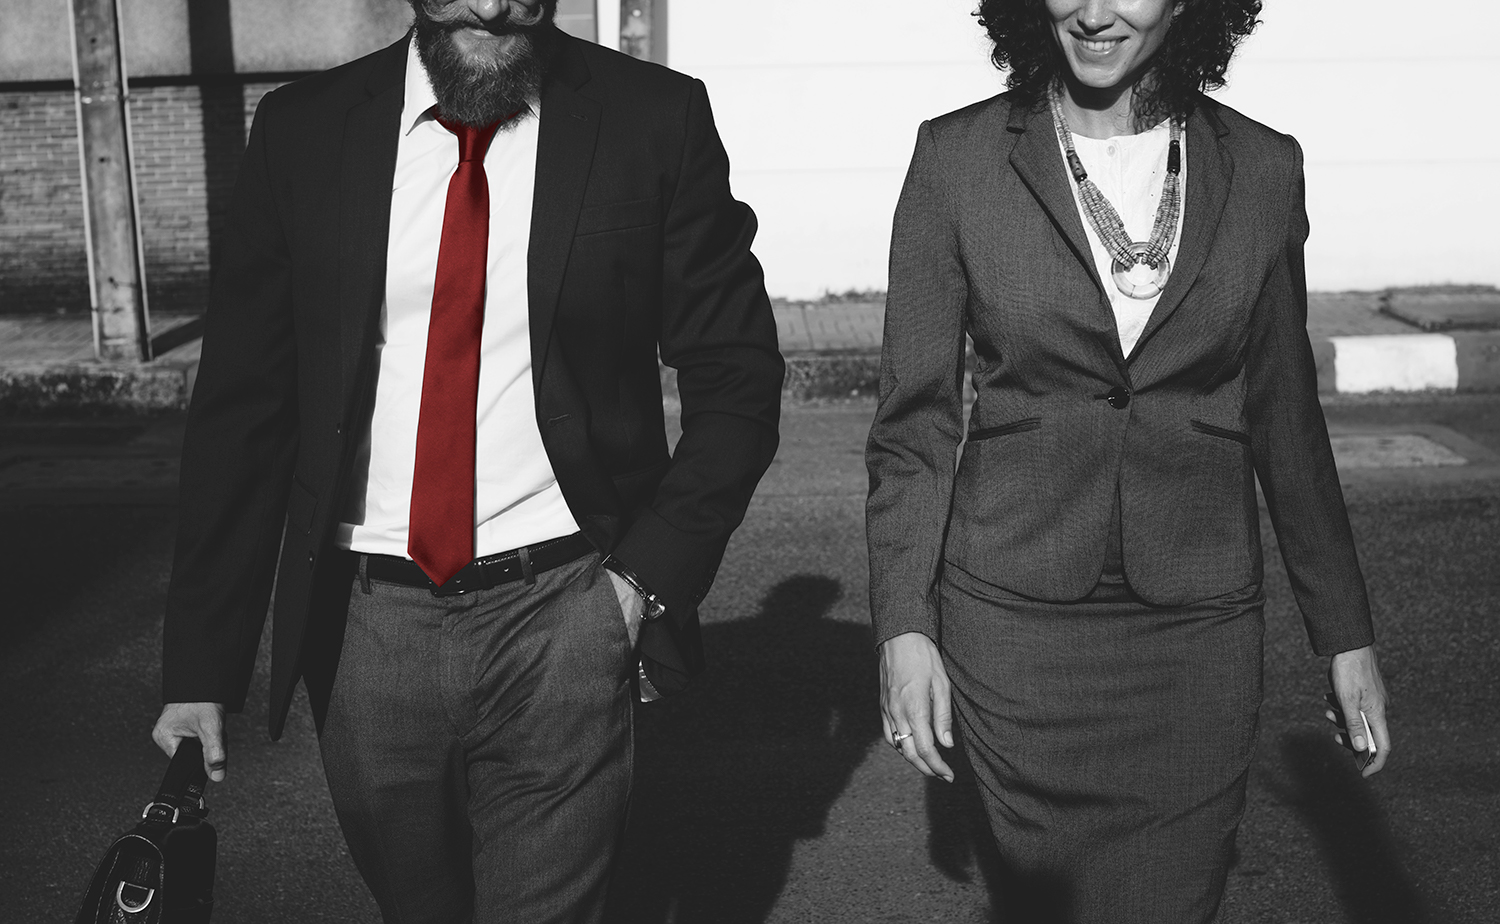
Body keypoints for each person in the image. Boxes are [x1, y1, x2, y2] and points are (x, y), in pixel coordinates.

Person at [149, 1, 783, 921]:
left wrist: (642, 583)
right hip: (367, 629)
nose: (492, 5)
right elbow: (245, 410)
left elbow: (737, 376)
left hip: (566, 607)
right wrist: (200, 674)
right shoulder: (304, 129)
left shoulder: (653, 117)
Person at [865, 0, 1390, 920]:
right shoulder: (956, 159)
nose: (1096, 13)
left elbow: (1286, 417)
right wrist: (903, 626)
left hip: (1195, 635)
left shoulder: (1265, 168)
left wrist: (1344, 633)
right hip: (1014, 623)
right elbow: (915, 424)